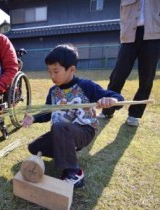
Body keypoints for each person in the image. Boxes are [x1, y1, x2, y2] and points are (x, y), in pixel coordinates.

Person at [21, 44, 124, 188]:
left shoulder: (86, 86)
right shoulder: (53, 91)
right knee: (34, 147)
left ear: (71, 69)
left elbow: (118, 97)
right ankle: (68, 150)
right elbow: (47, 114)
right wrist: (33, 118)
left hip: (84, 131)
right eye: (49, 71)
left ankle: (74, 173)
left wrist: (113, 100)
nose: (52, 76)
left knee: (60, 128)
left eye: (56, 71)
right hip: (61, 132)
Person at [99, 0, 160, 126]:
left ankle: (134, 115)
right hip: (129, 34)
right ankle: (108, 110)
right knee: (118, 75)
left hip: (153, 35)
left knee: (147, 78)